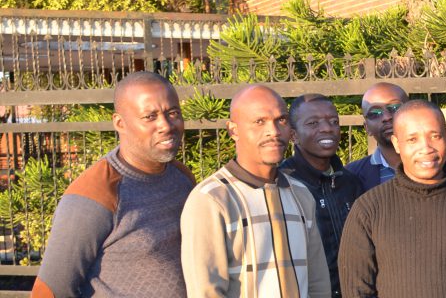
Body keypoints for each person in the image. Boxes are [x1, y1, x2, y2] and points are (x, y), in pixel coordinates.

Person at [34, 71, 195, 297]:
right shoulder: (95, 193)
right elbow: (49, 291)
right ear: (120, 123)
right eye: (150, 117)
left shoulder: (181, 177)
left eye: (173, 113)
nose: (166, 125)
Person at [338, 100, 446, 297]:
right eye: (412, 139)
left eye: (434, 136)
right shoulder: (368, 209)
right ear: (397, 144)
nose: (426, 148)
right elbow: (357, 289)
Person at [180, 85, 330, 298]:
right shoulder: (212, 199)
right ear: (233, 130)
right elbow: (206, 292)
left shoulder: (300, 194)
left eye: (281, 120)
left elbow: (317, 282)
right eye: (260, 121)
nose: (274, 131)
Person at [280, 94, 363, 298]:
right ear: (293, 135)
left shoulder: (351, 183)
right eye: (313, 123)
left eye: (333, 121)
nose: (327, 128)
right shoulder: (283, 185)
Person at [346, 82, 408, 191]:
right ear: (367, 128)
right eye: (375, 113)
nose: (386, 117)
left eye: (394, 108)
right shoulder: (351, 176)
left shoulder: (438, 163)